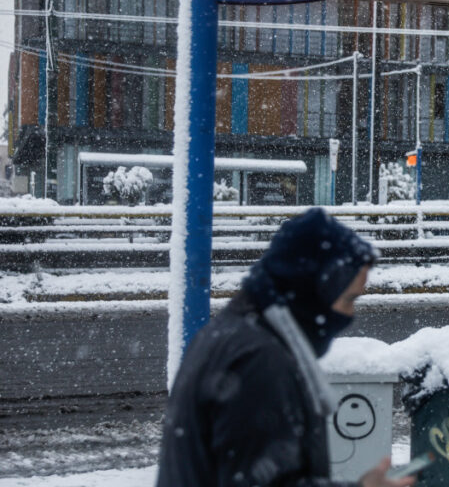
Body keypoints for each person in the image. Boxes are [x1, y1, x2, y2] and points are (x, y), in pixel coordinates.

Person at [157, 208, 415, 487]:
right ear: (313, 292)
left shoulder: (233, 333)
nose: (350, 315)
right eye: (349, 299)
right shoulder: (258, 362)